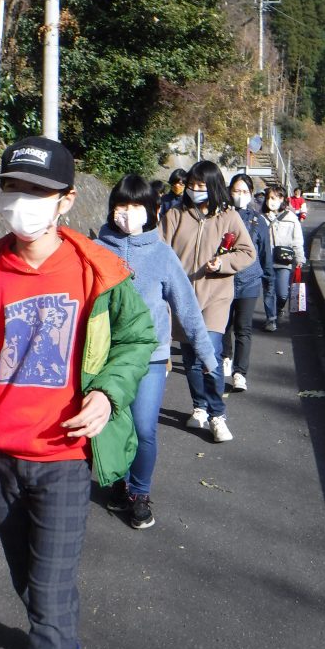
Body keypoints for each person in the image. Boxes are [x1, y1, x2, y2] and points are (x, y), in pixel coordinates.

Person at [0, 136, 158, 649]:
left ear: (67, 200)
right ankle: (61, 644)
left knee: (51, 594)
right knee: (31, 583)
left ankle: (58, 648)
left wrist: (106, 393)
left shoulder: (100, 272)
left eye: (37, 190)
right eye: (12, 186)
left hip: (63, 458)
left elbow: (136, 339)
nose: (21, 199)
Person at [96, 175, 217, 529]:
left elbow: (187, 307)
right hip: (107, 357)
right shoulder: (96, 249)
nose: (127, 213)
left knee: (145, 428)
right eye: (121, 205)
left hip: (150, 357)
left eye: (136, 206)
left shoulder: (163, 255)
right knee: (114, 427)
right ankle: (119, 482)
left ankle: (140, 493)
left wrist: (208, 355)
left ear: (153, 210)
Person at [160, 160, 256, 442]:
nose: (194, 190)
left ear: (213, 187)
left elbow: (247, 252)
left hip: (215, 297)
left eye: (201, 186)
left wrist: (223, 262)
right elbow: (160, 249)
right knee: (190, 358)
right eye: (191, 185)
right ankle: (199, 406)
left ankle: (217, 414)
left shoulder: (228, 217)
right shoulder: (175, 215)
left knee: (210, 356)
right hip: (182, 298)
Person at [221, 173, 272, 392]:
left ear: (251, 194)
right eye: (236, 191)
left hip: (249, 281)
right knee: (223, 325)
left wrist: (268, 279)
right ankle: (225, 356)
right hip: (223, 280)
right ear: (228, 191)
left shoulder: (258, 221)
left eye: (244, 192)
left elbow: (265, 253)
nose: (240, 195)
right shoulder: (219, 217)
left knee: (244, 328)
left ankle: (240, 373)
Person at [261, 184, 305, 332]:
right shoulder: (261, 217)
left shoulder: (291, 218)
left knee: (282, 293)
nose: (271, 201)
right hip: (266, 260)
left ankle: (280, 308)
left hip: (284, 261)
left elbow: (297, 240)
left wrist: (299, 258)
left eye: (274, 198)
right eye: (268, 198)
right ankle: (270, 319)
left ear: (282, 199)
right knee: (269, 292)